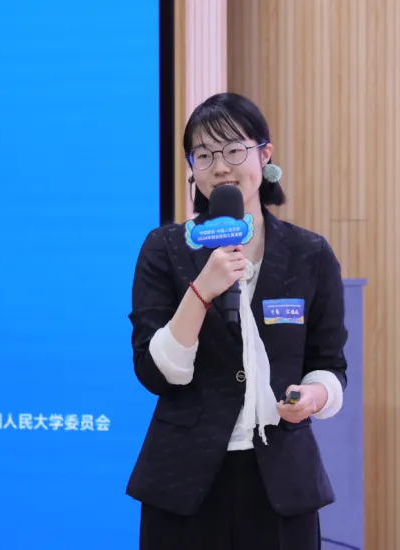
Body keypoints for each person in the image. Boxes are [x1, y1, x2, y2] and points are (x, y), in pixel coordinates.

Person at [126, 92, 348, 550]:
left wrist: (312, 396)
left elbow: (329, 364)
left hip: (281, 482)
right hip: (183, 483)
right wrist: (201, 291)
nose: (220, 166)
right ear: (192, 167)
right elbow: (155, 372)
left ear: (264, 155)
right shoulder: (165, 249)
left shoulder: (309, 252)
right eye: (204, 154)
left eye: (233, 149)